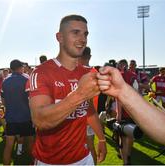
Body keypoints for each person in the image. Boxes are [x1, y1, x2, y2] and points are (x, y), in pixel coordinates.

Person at [29, 15, 107, 165]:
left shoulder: (86, 73)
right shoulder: (41, 72)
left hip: (83, 158)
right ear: (60, 37)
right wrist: (80, 94)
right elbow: (40, 119)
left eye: (85, 34)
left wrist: (102, 138)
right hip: (50, 161)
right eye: (75, 32)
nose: (82, 39)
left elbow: (88, 109)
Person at [97, 66, 165, 146]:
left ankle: (118, 134)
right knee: (115, 121)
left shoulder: (134, 76)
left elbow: (145, 85)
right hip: (119, 103)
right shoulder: (153, 77)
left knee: (163, 107)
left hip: (126, 104)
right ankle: (114, 133)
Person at [1, 59, 35, 164]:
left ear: (11, 69)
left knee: (8, 146)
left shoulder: (5, 81)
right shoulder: (27, 79)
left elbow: (3, 101)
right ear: (21, 68)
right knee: (30, 146)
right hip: (26, 117)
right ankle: (32, 163)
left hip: (11, 118)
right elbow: (32, 100)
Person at [78, 46, 97, 164]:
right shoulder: (95, 72)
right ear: (90, 56)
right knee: (90, 146)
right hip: (91, 116)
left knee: (85, 147)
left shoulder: (78, 72)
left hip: (81, 117)